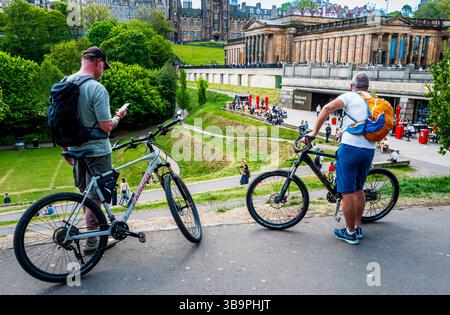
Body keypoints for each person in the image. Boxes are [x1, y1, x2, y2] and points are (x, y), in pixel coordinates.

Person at [62, 46, 128, 255]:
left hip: (75, 149)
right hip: (97, 151)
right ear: (98, 62)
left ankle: (94, 234)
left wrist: (65, 147)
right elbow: (105, 126)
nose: (103, 72)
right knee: (95, 197)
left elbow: (58, 119)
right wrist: (119, 116)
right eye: (103, 68)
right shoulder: (96, 89)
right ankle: (92, 241)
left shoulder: (65, 83)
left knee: (86, 194)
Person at [302, 73, 376, 245]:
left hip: (351, 149)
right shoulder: (373, 101)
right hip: (369, 149)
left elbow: (327, 109)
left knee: (347, 193)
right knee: (358, 189)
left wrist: (313, 132)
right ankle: (357, 227)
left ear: (352, 86)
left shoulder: (349, 96)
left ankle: (349, 233)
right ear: (367, 87)